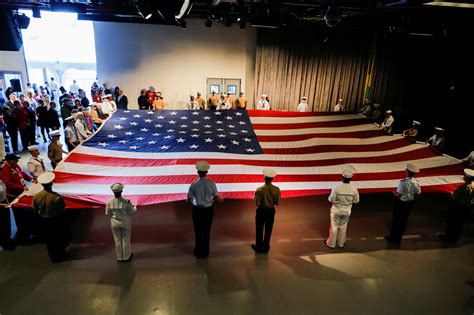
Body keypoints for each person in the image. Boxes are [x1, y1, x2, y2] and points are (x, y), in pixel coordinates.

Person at [187, 161, 222, 258]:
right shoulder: (211, 184)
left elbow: (188, 200)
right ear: (206, 173)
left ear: (198, 173)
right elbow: (217, 199)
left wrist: (194, 202)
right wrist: (220, 201)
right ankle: (205, 251)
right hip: (208, 211)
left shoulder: (193, 184)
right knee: (207, 230)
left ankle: (198, 251)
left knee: (197, 231)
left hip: (197, 210)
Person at [32, 172, 69, 262]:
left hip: (44, 221)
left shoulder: (36, 196)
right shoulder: (56, 196)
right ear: (51, 183)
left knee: (49, 241)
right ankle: (61, 255)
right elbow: (62, 209)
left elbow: (35, 210)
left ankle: (53, 257)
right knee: (58, 239)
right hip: (56, 220)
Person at [385, 163, 421, 245]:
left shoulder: (402, 182)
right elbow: (418, 194)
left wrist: (393, 193)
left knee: (396, 221)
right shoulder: (417, 183)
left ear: (407, 172)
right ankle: (398, 239)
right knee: (403, 222)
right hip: (409, 204)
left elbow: (398, 196)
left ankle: (393, 238)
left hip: (400, 204)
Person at [2, 153, 34, 244]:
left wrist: (30, 179)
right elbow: (8, 184)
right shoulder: (5, 170)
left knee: (24, 212)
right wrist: (21, 187)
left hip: (21, 192)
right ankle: (22, 233)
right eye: (15, 160)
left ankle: (27, 229)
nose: (17, 161)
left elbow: (22, 174)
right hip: (13, 195)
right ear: (9, 161)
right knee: (19, 214)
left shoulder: (15, 165)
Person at [325, 170, 360, 249]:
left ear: (342, 177)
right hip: (347, 211)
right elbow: (356, 201)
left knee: (334, 226)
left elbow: (331, 200)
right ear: (350, 179)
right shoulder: (354, 189)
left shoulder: (336, 187)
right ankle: (341, 244)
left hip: (336, 210)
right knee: (343, 227)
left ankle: (331, 244)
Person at [438, 169, 474, 243]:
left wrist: (452, 194)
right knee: (460, 224)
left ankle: (447, 237)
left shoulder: (462, 188)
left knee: (452, 223)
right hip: (466, 208)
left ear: (466, 178)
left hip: (457, 207)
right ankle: (454, 238)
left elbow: (454, 198)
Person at [105, 183, 137, 262]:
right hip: (125, 223)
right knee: (125, 240)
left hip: (114, 224)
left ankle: (119, 257)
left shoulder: (109, 201)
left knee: (117, 240)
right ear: (121, 191)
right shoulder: (127, 202)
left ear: (113, 192)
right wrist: (135, 207)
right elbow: (131, 212)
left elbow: (107, 213)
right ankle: (126, 257)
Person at [252, 168, 281, 253]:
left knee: (259, 229)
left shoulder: (259, 189)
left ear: (264, 178)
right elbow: (277, 202)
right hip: (271, 211)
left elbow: (256, 203)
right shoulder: (276, 189)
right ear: (272, 179)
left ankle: (258, 247)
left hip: (261, 211)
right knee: (269, 229)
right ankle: (266, 247)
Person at [0, 176, 15, 250]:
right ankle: (4, 243)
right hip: (0, 205)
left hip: (4, 202)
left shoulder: (0, 179)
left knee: (7, 222)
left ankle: (7, 238)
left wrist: (10, 196)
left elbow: (3, 191)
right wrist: (3, 205)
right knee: (2, 224)